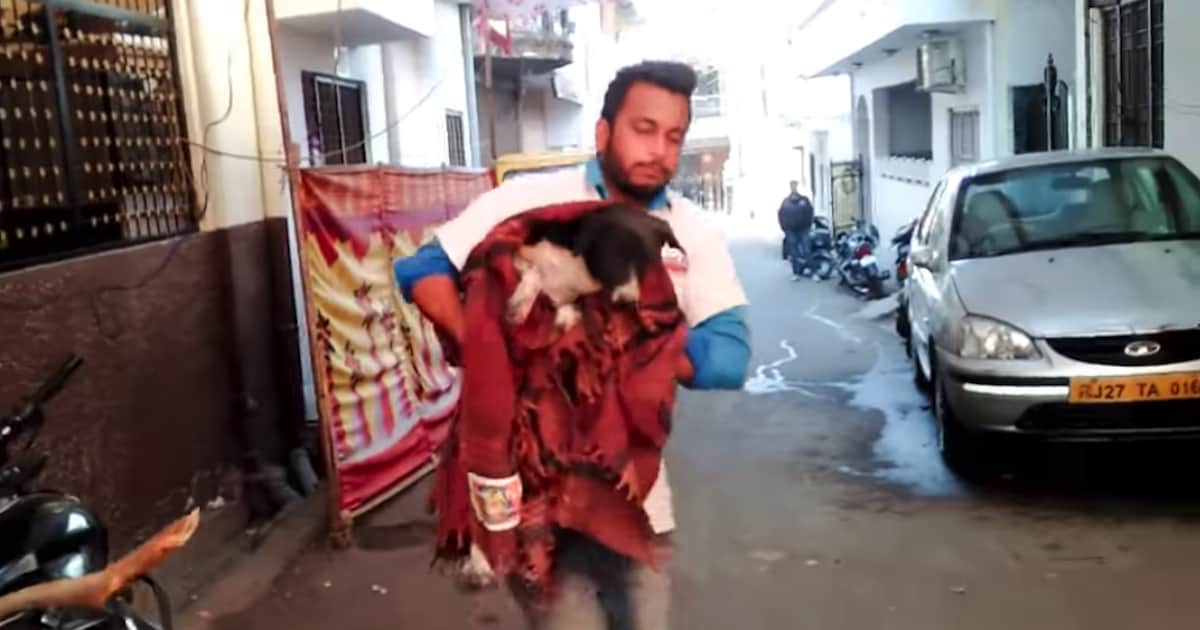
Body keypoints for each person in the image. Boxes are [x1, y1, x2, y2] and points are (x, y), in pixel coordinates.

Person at [393, 60, 751, 630]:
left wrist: (635, 346)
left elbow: (729, 356)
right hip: (534, 500)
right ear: (604, 132)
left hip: (634, 499)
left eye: (674, 136)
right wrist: (493, 351)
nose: (659, 150)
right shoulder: (529, 201)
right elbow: (421, 270)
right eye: (644, 129)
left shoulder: (690, 234)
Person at [777, 180, 814, 279]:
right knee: (794, 253)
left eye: (795, 186)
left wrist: (808, 225)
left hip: (803, 229)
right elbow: (780, 214)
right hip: (790, 230)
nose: (793, 188)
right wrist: (784, 227)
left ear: (797, 187)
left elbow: (810, 212)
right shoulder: (786, 201)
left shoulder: (804, 200)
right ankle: (796, 273)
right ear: (790, 187)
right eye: (792, 186)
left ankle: (813, 271)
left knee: (807, 250)